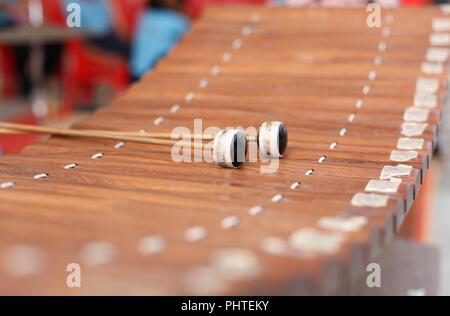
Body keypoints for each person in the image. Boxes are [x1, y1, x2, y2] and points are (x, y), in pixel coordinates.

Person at [130, 0, 190, 80]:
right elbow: (193, 35)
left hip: (136, 71)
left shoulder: (145, 15)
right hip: (152, 72)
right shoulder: (176, 21)